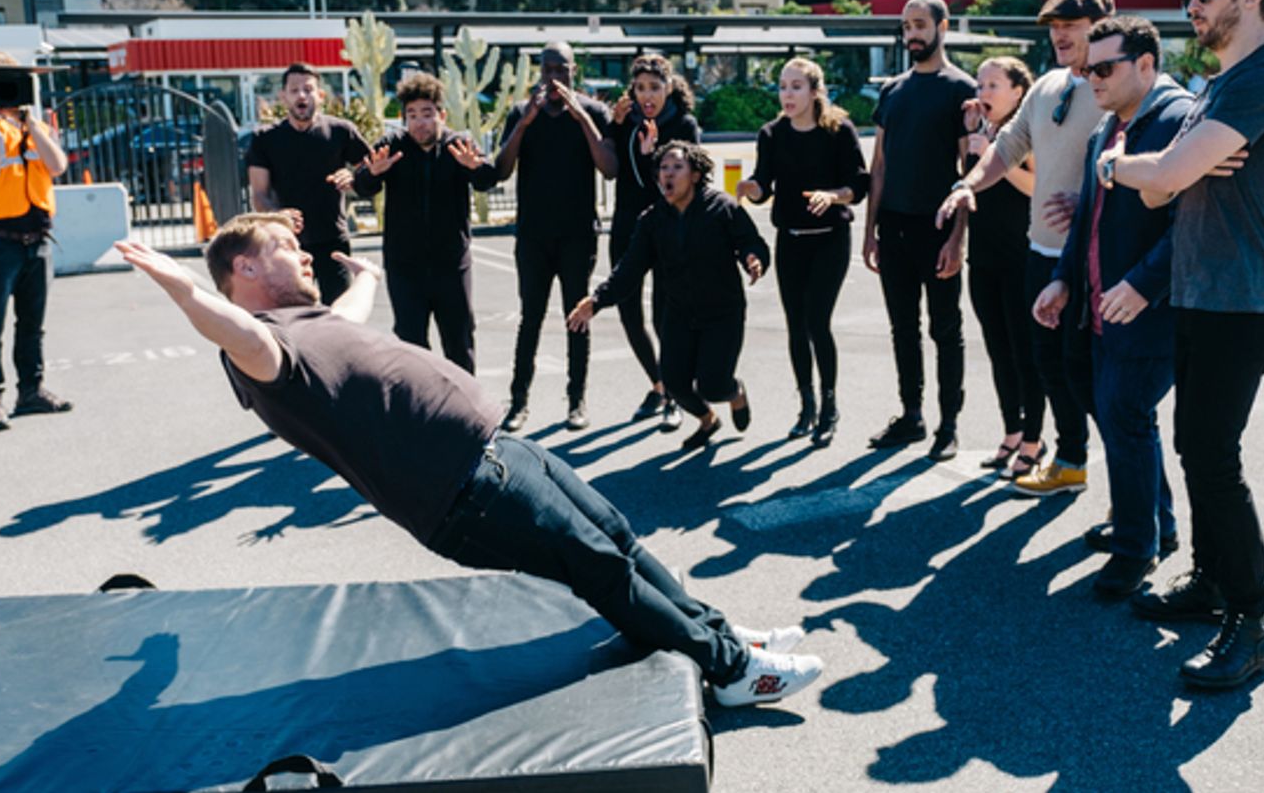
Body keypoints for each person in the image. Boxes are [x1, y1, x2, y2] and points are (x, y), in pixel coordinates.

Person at [113, 213, 821, 707]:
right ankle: (731, 670)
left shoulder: (310, 323)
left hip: (498, 449)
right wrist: (182, 286)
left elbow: (353, 314)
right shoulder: (263, 352)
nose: (303, 254)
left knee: (619, 539)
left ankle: (715, 631)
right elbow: (226, 323)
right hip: (466, 489)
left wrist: (363, 275)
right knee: (599, 567)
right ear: (244, 268)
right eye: (283, 247)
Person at [1102, 0, 1264, 690]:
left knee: (1212, 455)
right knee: (1196, 446)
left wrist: (1117, 164)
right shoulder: (1218, 87)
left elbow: (1166, 173)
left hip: (1242, 298)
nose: (1193, 4)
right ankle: (1212, 581)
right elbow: (1161, 188)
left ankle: (1250, 621)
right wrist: (1148, 171)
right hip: (1200, 290)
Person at [1031, 16, 1194, 597]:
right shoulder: (1109, 127)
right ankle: (1156, 526)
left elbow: (1191, 226)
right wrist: (1062, 279)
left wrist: (1146, 285)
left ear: (1145, 64)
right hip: (1097, 305)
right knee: (1124, 422)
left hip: (1147, 310)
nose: (1089, 78)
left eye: (1103, 68)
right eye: (1085, 69)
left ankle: (1135, 549)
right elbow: (1088, 222)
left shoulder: (1179, 120)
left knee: (1125, 417)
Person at [938, 0, 1116, 496]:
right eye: (1054, 27)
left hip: (1094, 258)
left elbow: (1139, 163)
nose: (1059, 35)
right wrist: (967, 185)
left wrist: (1089, 201)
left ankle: (1133, 494)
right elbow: (1010, 145)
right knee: (1050, 365)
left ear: (1102, 25)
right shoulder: (1048, 88)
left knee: (1097, 377)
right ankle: (1072, 460)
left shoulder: (1118, 86)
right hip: (1041, 251)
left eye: (1071, 26)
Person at [569, 142, 768, 451]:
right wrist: (595, 301)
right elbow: (630, 269)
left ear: (696, 174)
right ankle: (707, 420)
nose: (668, 174)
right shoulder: (652, 220)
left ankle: (735, 393)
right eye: (663, 168)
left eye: (677, 167)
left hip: (722, 311)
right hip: (679, 312)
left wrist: (753, 259)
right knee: (673, 382)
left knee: (713, 383)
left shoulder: (722, 208)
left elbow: (750, 241)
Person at [862, 0, 973, 462]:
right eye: (907, 26)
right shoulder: (892, 90)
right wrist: (868, 231)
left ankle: (949, 425)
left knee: (945, 329)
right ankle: (912, 415)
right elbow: (880, 164)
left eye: (921, 24)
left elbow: (969, 170)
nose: (912, 34)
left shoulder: (960, 89)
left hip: (939, 226)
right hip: (895, 228)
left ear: (942, 27)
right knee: (901, 328)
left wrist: (957, 238)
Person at [737, 58, 869, 447]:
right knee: (795, 325)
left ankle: (830, 406)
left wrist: (833, 196)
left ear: (815, 92)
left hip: (830, 237)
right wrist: (750, 188)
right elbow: (765, 185)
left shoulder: (838, 131)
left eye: (796, 86)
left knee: (816, 320)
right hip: (790, 238)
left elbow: (858, 185)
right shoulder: (772, 134)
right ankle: (807, 405)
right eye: (782, 86)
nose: (788, 94)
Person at [331, 71, 496, 374]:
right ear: (404, 117)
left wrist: (476, 168)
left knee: (459, 342)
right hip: (405, 268)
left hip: (452, 265)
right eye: (412, 115)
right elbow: (365, 186)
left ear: (441, 114)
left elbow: (487, 180)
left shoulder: (459, 146)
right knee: (410, 345)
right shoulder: (393, 145)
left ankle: (464, 413)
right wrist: (373, 173)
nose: (420, 122)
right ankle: (419, 413)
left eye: (427, 114)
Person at [496, 42, 617, 433]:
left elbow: (610, 168)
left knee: (577, 318)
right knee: (530, 318)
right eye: (547, 70)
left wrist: (582, 116)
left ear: (573, 70)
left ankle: (576, 401)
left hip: (578, 235)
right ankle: (518, 403)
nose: (554, 79)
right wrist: (525, 122)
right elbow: (501, 169)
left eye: (561, 70)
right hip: (533, 235)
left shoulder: (594, 112)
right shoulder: (521, 113)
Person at [0, 53, 73, 431]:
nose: (9, 91)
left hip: (37, 239)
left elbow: (58, 166)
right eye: (2, 82)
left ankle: (31, 391)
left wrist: (30, 122)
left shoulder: (36, 125)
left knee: (32, 324)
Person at [962, 57, 1046, 479]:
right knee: (997, 349)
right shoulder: (980, 132)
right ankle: (1011, 430)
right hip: (982, 255)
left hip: (1020, 255)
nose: (983, 92)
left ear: (1019, 92)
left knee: (1024, 351)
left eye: (994, 84)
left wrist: (994, 157)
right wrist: (973, 146)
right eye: (980, 83)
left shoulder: (1026, 134)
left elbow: (1036, 185)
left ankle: (1034, 438)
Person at [608, 54, 700, 433]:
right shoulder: (625, 122)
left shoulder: (683, 124)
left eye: (655, 87)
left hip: (668, 227)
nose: (648, 96)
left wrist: (654, 157)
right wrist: (613, 127)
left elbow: (683, 184)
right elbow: (614, 171)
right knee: (628, 311)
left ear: (669, 87)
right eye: (641, 87)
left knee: (667, 316)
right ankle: (660, 384)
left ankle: (677, 395)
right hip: (628, 226)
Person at [245, 62, 372, 304]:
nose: (302, 95)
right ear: (283, 96)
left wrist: (355, 177)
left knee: (341, 314)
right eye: (294, 90)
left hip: (333, 239)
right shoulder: (265, 139)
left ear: (320, 95)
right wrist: (278, 215)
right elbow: (259, 194)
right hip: (286, 244)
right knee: (293, 315)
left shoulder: (340, 131)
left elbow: (372, 168)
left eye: (308, 89)